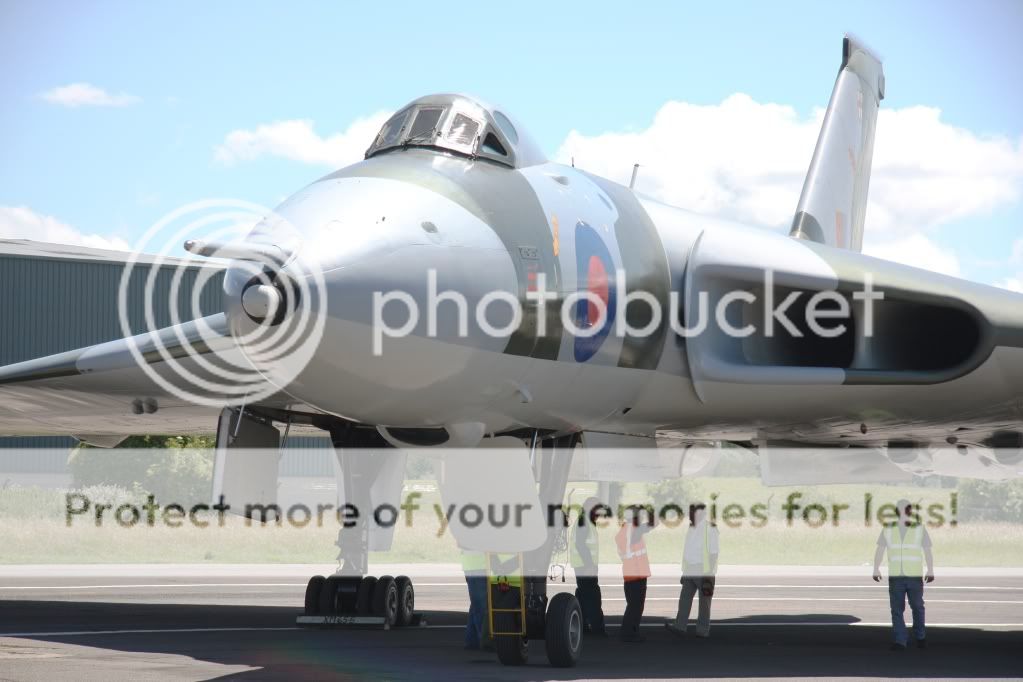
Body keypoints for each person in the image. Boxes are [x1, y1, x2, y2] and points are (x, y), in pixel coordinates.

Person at [872, 498, 935, 651]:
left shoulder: (919, 528)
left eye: (906, 510)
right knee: (897, 610)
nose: (904, 512)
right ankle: (901, 641)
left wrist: (930, 569)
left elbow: (927, 549)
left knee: (917, 607)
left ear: (910, 512)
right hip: (896, 576)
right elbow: (880, 549)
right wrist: (876, 568)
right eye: (901, 510)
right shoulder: (888, 528)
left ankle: (920, 637)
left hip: (914, 575)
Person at [665, 502, 719, 638]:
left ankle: (702, 630)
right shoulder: (692, 527)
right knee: (684, 598)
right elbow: (688, 550)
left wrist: (709, 573)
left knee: (704, 603)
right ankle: (680, 626)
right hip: (691, 568)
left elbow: (713, 552)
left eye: (691, 512)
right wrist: (684, 571)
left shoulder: (710, 528)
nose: (688, 515)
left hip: (704, 570)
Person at [616, 505, 655, 642]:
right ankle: (628, 633)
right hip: (636, 574)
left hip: (631, 573)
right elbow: (652, 524)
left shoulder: (625, 530)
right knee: (635, 606)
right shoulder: (632, 530)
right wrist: (651, 511)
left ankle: (631, 631)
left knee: (633, 605)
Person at [572, 496, 607, 635]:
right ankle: (597, 629)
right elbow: (580, 545)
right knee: (593, 597)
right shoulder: (584, 522)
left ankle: (584, 626)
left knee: (583, 595)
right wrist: (589, 565)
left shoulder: (585, 520)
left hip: (582, 566)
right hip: (585, 567)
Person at [461, 549, 490, 650]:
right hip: (477, 567)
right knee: (480, 607)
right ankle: (485, 641)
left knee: (477, 605)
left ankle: (472, 641)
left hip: (477, 566)